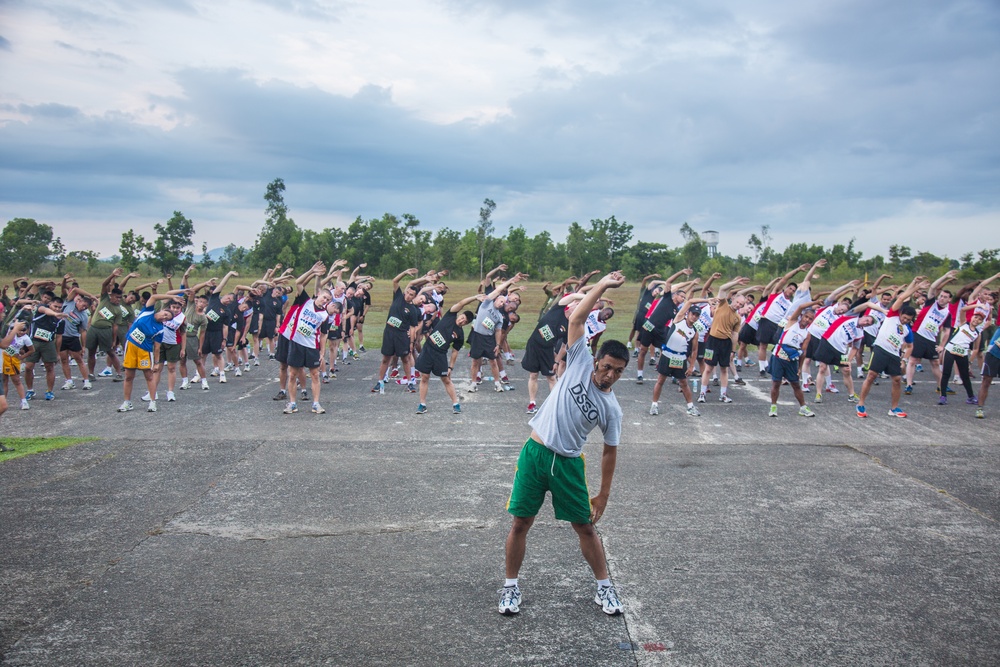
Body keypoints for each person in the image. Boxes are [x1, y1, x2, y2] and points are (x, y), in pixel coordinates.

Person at [499, 271, 627, 617]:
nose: (610, 375)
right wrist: (602, 285)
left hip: (569, 463)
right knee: (520, 522)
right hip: (536, 453)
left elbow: (610, 451)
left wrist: (603, 494)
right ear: (597, 360)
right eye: (608, 367)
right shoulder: (580, 361)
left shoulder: (611, 408)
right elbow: (577, 316)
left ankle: (605, 588)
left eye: (618, 371)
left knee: (585, 527)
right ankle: (510, 587)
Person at [857, 277, 928, 419]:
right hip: (880, 349)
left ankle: (894, 408)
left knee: (896, 380)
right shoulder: (892, 314)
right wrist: (915, 284)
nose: (905, 320)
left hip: (894, 354)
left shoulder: (907, 330)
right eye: (904, 318)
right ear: (901, 314)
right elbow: (902, 296)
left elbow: (910, 346)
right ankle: (861, 403)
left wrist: (904, 359)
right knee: (871, 376)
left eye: (908, 320)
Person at [118, 289, 190, 413]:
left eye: (167, 318)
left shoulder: (159, 329)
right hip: (131, 346)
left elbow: (157, 347)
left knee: (149, 376)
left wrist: (156, 363)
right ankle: (127, 402)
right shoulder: (147, 312)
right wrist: (174, 296)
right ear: (161, 310)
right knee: (129, 376)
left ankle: (152, 402)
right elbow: (155, 296)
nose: (164, 317)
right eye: (165, 314)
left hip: (145, 351)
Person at [414, 293, 481, 414]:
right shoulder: (450, 315)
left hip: (440, 355)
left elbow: (455, 351)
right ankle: (422, 404)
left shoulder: (459, 334)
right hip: (428, 349)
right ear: (460, 315)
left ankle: (456, 404)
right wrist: (475, 298)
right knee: (424, 377)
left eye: (464, 322)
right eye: (462, 318)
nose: (461, 321)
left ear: (466, 324)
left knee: (446, 379)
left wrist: (451, 366)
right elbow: (461, 303)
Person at [650, 296, 703, 417]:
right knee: (661, 380)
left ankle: (690, 406)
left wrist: (691, 367)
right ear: (688, 313)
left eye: (696, 315)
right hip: (668, 355)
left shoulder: (694, 332)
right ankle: (654, 405)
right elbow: (689, 301)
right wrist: (707, 301)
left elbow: (694, 351)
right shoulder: (679, 320)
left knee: (683, 383)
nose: (694, 316)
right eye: (692, 314)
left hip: (680, 358)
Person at [767, 300, 822, 418]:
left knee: (796, 384)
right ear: (802, 316)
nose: (807, 320)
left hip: (792, 359)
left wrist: (800, 367)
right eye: (806, 317)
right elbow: (801, 305)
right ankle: (773, 406)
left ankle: (803, 407)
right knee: (776, 383)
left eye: (810, 319)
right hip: (778, 356)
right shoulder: (792, 322)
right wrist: (816, 301)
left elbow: (803, 351)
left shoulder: (807, 334)